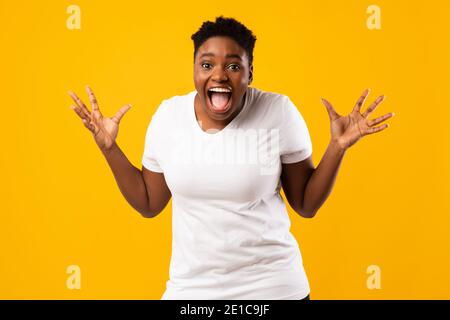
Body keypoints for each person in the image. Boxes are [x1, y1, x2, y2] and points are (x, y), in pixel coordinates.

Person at [68, 16, 394, 300]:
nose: (220, 75)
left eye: (234, 65)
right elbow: (149, 202)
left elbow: (306, 205)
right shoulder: (168, 116)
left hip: (273, 289)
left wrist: (337, 147)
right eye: (207, 64)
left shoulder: (278, 112)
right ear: (194, 70)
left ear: (250, 73)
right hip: (192, 292)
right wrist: (109, 148)